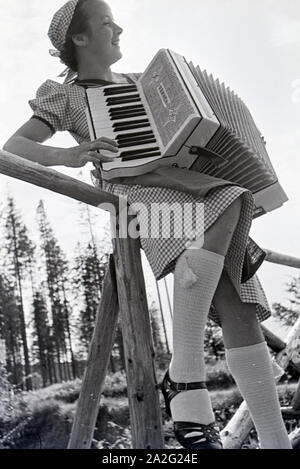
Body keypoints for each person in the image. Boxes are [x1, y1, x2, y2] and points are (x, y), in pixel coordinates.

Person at [3, 0, 292, 450]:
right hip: (144, 197)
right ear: (79, 39)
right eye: (104, 23)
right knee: (230, 201)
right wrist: (71, 155)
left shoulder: (152, 84)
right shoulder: (66, 95)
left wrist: (241, 144)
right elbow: (16, 146)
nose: (118, 28)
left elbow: (197, 140)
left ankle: (265, 436)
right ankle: (186, 377)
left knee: (240, 305)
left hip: (194, 190)